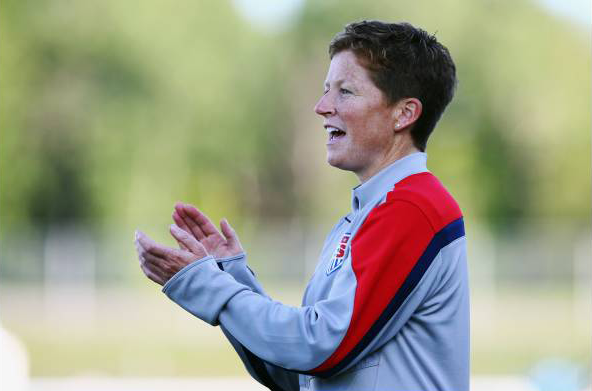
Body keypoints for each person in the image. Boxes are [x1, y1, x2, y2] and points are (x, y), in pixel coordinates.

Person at [135, 20, 469, 391]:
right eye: (326, 90)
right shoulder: (358, 219)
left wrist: (209, 286)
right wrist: (230, 278)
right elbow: (299, 373)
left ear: (404, 114)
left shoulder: (414, 207)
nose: (321, 107)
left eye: (345, 91)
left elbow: (321, 346)